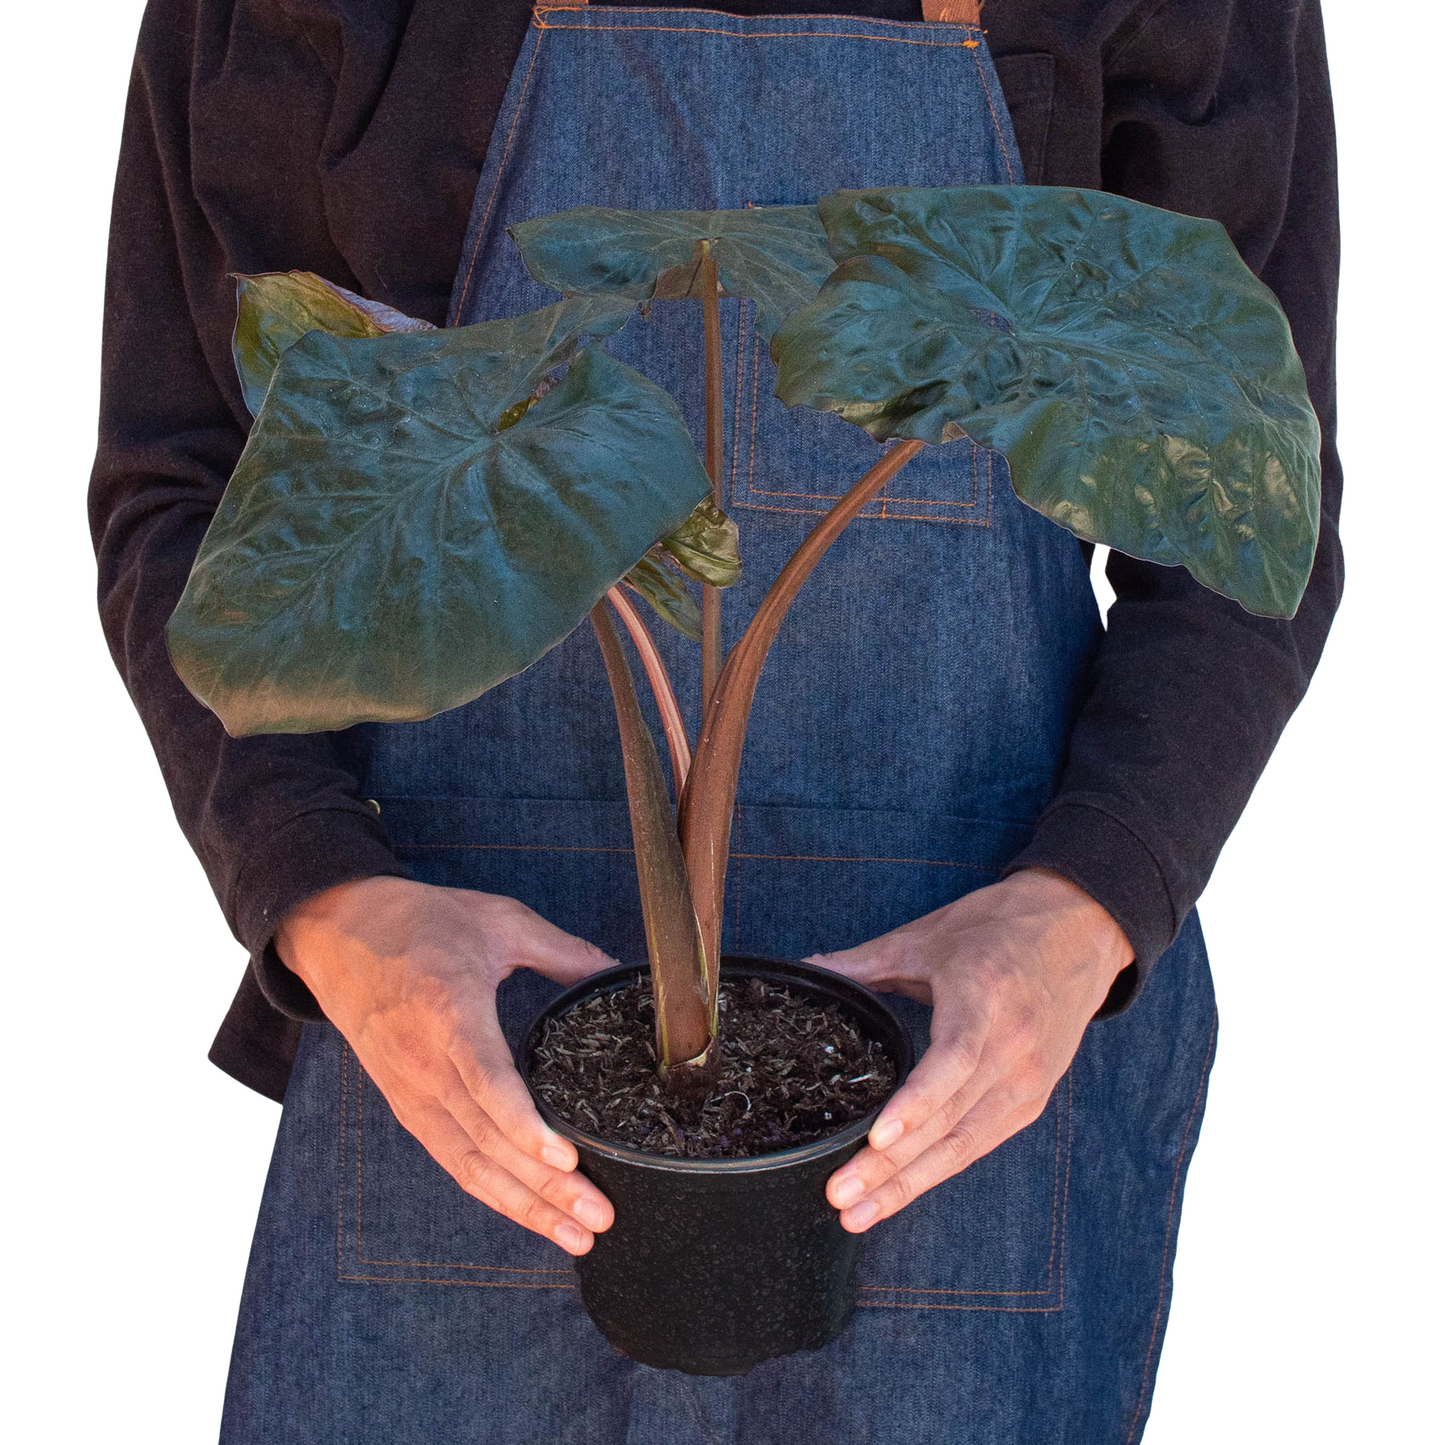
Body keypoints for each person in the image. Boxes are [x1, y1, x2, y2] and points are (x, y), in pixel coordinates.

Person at [89, 0, 1343, 1439]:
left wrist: (1087, 904)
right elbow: (188, 478)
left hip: (968, 1083)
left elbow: (1253, 489)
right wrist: (322, 895)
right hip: (460, 1064)